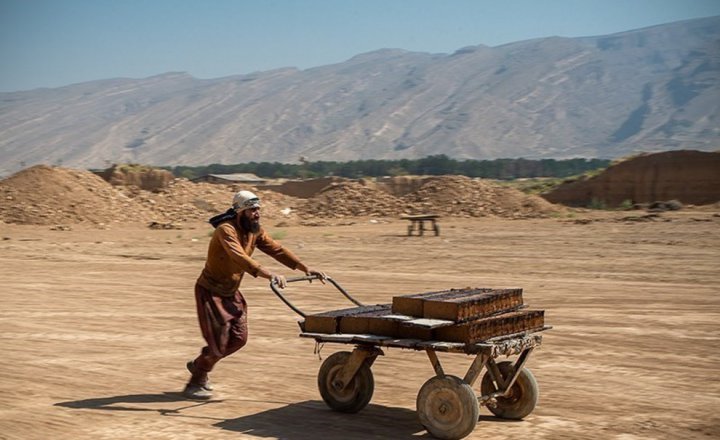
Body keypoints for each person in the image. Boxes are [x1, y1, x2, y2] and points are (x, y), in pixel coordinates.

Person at [183, 190, 326, 399]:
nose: (256, 214)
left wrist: (304, 268)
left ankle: (199, 364)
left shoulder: (254, 231)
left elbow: (276, 249)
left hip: (231, 292)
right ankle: (197, 379)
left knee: (239, 339)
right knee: (217, 345)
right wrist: (268, 274)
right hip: (210, 292)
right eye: (251, 210)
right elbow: (239, 257)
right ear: (240, 211)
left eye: (258, 209)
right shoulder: (226, 230)